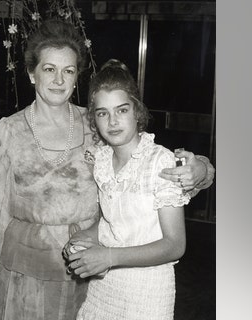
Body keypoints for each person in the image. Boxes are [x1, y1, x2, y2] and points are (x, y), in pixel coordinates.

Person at [0, 19, 215, 320]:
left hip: (89, 280)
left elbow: (150, 163)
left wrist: (202, 170)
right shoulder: (9, 133)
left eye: (69, 71)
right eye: (49, 69)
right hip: (23, 282)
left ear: (77, 79)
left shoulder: (98, 123)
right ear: (31, 74)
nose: (59, 80)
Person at [64, 59, 188, 319]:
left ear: (137, 112)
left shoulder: (159, 160)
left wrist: (108, 256)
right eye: (102, 113)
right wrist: (85, 239)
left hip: (148, 291)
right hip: (105, 288)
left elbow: (175, 245)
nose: (112, 121)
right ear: (94, 119)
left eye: (121, 110)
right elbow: (113, 224)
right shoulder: (100, 161)